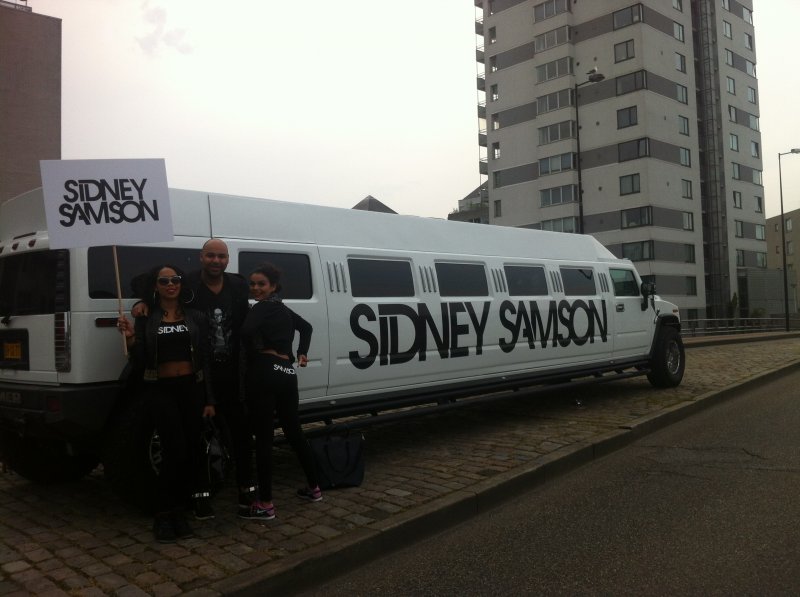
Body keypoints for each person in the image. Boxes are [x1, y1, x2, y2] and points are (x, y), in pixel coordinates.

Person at [132, 239, 253, 520]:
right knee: (196, 438)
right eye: (210, 255)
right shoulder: (188, 285)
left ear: (227, 259)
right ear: (201, 257)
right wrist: (141, 302)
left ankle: (247, 492)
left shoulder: (238, 285)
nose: (216, 261)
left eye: (221, 256)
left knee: (241, 434)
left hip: (234, 373)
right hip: (199, 375)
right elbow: (147, 283)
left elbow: (250, 317)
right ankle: (199, 497)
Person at [117, 265, 216, 543]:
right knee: (174, 450)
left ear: (182, 284)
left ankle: (179, 512)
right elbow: (140, 360)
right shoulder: (146, 317)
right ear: (156, 286)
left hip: (191, 388)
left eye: (175, 279)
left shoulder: (196, 317)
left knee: (190, 451)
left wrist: (210, 399)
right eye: (164, 281)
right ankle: (163, 514)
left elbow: (205, 359)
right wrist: (131, 338)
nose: (170, 284)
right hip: (161, 390)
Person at [239, 262, 321, 520]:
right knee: (294, 431)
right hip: (287, 372)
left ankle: (265, 504)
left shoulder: (261, 308)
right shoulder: (283, 309)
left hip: (264, 370)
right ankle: (314, 488)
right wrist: (302, 352)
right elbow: (306, 327)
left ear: (273, 286)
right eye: (252, 284)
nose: (255, 288)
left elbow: (246, 331)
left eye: (261, 284)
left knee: (264, 438)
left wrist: (251, 351)